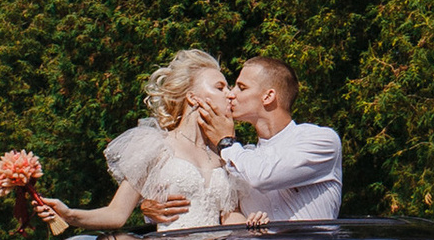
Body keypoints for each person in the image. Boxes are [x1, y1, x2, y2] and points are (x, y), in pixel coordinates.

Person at [34, 49, 266, 235]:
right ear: (192, 97)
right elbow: (116, 214)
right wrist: (70, 214)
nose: (230, 94)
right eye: (220, 87)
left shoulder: (226, 153)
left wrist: (251, 224)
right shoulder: (157, 147)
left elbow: (229, 217)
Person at [145, 55, 342, 227]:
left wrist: (226, 141)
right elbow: (212, 204)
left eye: (241, 87)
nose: (231, 94)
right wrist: (150, 208)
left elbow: (263, 176)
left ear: (268, 96)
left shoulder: (321, 141)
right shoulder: (239, 157)